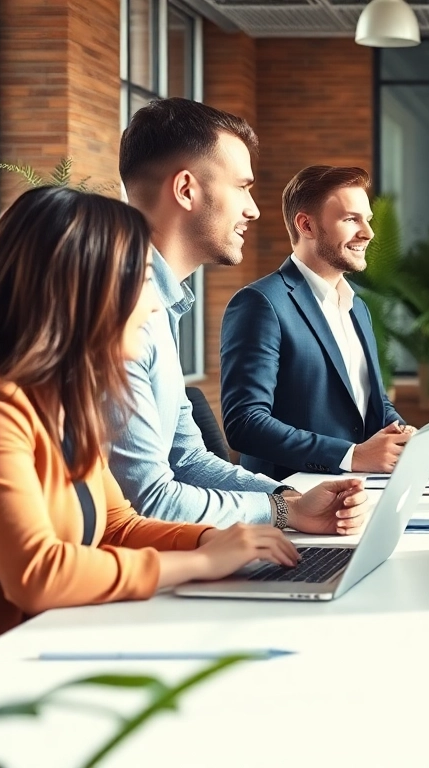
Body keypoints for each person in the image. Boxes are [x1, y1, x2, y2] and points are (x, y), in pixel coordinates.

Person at [0, 187, 328, 643]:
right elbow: (38, 573)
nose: (153, 304)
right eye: (143, 281)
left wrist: (209, 540)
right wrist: (203, 562)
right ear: (87, 292)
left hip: (36, 645)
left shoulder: (63, 403)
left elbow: (117, 525)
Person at [113, 98, 366, 533]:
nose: (254, 210)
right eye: (242, 187)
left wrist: (287, 498)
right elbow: (146, 499)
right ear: (186, 189)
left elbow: (188, 459)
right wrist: (283, 513)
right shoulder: (120, 313)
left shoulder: (160, 306)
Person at [220, 165, 408, 480]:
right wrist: (351, 456)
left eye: (368, 220)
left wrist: (399, 433)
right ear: (306, 225)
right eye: (351, 219)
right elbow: (245, 423)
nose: (368, 232)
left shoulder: (357, 306)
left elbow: (368, 397)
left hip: (359, 487)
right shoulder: (261, 303)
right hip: (292, 498)